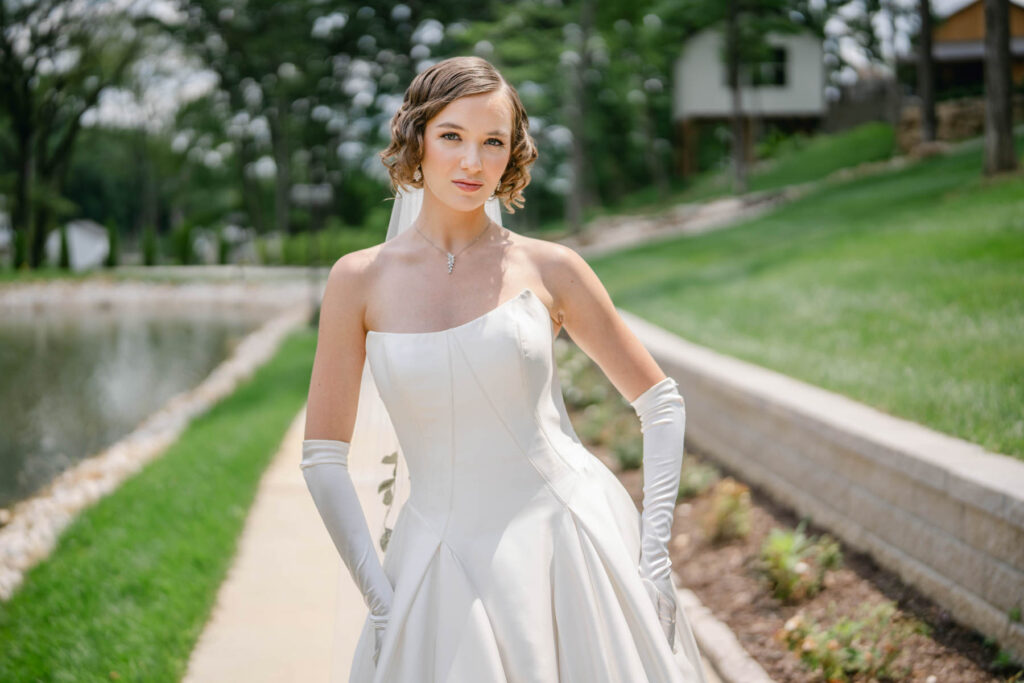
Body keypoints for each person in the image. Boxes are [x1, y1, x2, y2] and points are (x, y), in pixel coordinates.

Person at [300, 55, 707, 682]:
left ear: (512, 154)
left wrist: (654, 558)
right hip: (436, 561)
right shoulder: (357, 280)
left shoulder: (551, 268)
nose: (472, 162)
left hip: (567, 544)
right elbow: (323, 455)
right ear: (417, 139)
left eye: (493, 142)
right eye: (452, 137)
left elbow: (662, 403)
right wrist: (380, 601)